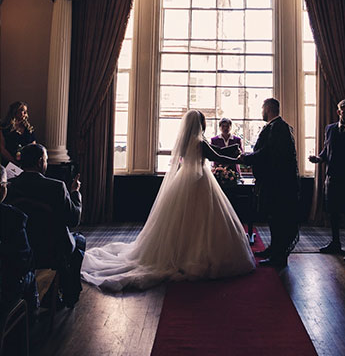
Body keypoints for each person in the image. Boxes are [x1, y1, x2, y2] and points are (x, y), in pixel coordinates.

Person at [80, 111, 254, 290]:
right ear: (199, 124)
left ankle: (180, 253)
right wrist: (239, 159)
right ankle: (196, 255)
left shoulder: (186, 142)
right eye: (203, 122)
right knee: (203, 219)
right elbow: (216, 157)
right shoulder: (200, 142)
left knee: (182, 220)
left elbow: (214, 151)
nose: (205, 124)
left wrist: (232, 151)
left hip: (185, 178)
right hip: (199, 180)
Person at [6, 144, 85, 307]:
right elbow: (73, 220)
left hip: (19, 251)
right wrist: (75, 193)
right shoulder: (56, 187)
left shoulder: (10, 186)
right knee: (80, 241)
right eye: (46, 160)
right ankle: (68, 293)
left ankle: (48, 291)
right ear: (40, 161)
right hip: (51, 251)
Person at [239, 98, 299, 268]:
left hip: (278, 184)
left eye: (262, 109)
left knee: (279, 219)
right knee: (273, 218)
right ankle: (273, 249)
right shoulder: (276, 126)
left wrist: (247, 158)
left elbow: (268, 153)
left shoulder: (278, 128)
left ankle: (279, 256)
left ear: (268, 109)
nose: (261, 112)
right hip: (274, 182)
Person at [309, 99, 345, 261]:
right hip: (332, 178)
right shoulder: (330, 129)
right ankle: (335, 242)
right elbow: (327, 150)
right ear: (338, 112)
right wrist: (318, 158)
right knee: (333, 212)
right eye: (343, 111)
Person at [1, 165, 38, 320]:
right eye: (5, 184)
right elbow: (24, 261)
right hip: (5, 289)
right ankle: (32, 320)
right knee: (30, 272)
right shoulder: (13, 217)